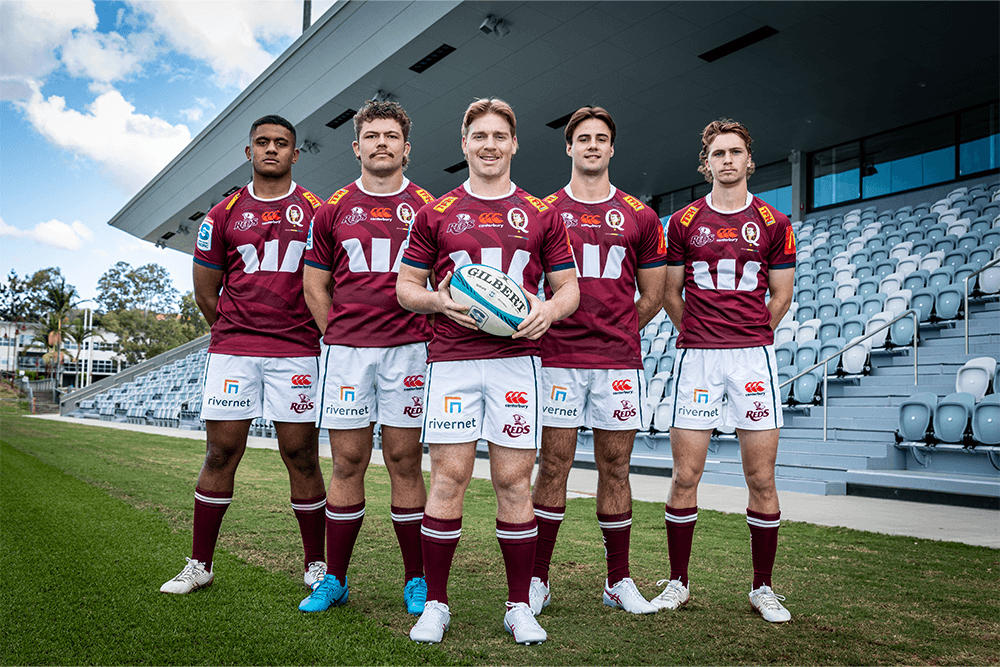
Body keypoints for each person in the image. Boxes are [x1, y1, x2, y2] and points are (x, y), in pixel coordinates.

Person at [396, 98, 580, 645]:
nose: (490, 144)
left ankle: (519, 606)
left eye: (500, 135)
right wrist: (436, 302)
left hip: (517, 364)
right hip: (452, 362)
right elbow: (405, 289)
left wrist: (548, 310)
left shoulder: (541, 213)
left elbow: (570, 288)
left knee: (512, 482)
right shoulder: (436, 212)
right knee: (448, 480)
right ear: (464, 143)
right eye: (480, 135)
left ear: (514, 144)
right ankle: (436, 604)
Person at [161, 115, 327, 595]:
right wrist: (238, 334)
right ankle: (200, 563)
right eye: (262, 143)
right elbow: (205, 294)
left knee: (301, 455)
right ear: (248, 151)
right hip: (235, 351)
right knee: (220, 452)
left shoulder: (319, 211)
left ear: (296, 154)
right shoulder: (222, 213)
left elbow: (327, 284)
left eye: (282, 143)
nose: (271, 149)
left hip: (298, 351)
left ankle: (316, 566)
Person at [655, 119, 796, 622]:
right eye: (719, 153)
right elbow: (671, 292)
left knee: (761, 475)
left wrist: (752, 332)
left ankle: (762, 588)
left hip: (751, 357)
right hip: (698, 358)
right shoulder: (683, 221)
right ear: (706, 162)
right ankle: (678, 583)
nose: (728, 160)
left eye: (736, 152)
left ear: (749, 160)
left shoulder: (775, 222)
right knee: (684, 474)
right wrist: (697, 332)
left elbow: (781, 295)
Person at [298, 100, 435, 615]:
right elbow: (315, 283)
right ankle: (334, 579)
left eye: (391, 136)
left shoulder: (429, 207)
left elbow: (442, 282)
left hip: (410, 351)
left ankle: (416, 579)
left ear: (405, 147)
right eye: (371, 135)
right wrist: (341, 334)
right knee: (348, 462)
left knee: (404, 461)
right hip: (349, 353)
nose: (381, 143)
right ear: (357, 147)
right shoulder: (333, 207)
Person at [530, 106, 667, 616]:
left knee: (616, 467)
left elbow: (652, 294)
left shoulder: (640, 214)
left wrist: (616, 331)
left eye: (601, 139)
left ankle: (618, 581)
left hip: (617, 360)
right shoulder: (543, 211)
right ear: (569, 148)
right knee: (553, 466)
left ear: (612, 149)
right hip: (556, 358)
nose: (591, 146)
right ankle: (536, 579)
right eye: (582, 138)